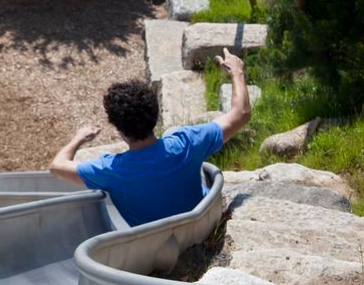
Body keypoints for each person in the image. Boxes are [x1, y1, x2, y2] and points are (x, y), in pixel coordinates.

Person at [48, 48, 251, 227]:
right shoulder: (186, 142)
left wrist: (78, 139)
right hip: (198, 227)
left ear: (118, 128)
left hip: (154, 245)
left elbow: (57, 166)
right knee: (174, 135)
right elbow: (241, 113)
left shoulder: (110, 170)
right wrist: (237, 72)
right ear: (155, 114)